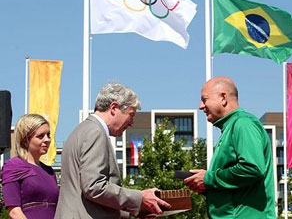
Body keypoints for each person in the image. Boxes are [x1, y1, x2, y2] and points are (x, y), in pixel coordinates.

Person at [55, 82, 171, 218]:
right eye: (131, 115)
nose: (131, 123)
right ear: (114, 107)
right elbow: (94, 187)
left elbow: (86, 191)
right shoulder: (96, 133)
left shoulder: (81, 131)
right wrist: (140, 198)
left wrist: (134, 210)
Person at [184, 77, 276, 218]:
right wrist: (205, 185)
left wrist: (209, 178)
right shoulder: (232, 127)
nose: (200, 106)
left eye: (204, 99)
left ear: (223, 98)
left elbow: (252, 168)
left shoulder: (243, 124)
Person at [2, 114, 59, 219]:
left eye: (48, 135)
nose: (47, 140)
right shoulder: (13, 167)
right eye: (40, 136)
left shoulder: (49, 171)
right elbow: (14, 211)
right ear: (25, 139)